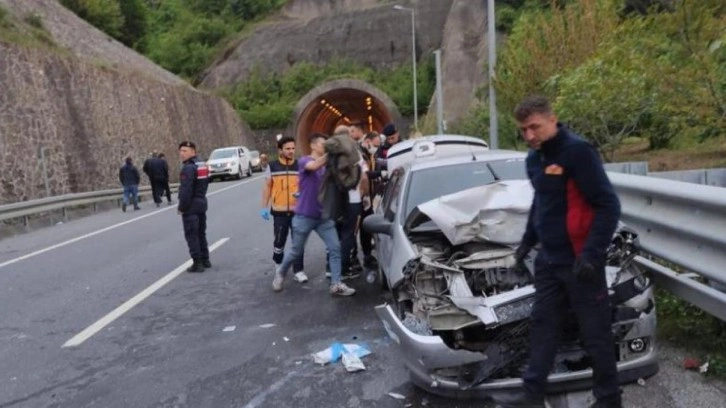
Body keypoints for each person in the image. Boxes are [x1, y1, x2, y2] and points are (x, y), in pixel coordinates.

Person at [492, 96, 622, 408]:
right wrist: (526, 243)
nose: (529, 135)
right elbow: (542, 203)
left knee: (595, 335)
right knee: (542, 328)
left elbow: (608, 205)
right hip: (549, 262)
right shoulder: (534, 159)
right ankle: (532, 395)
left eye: (534, 127)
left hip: (581, 261)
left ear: (553, 120)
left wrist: (592, 253)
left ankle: (609, 400)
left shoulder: (577, 152)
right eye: (523, 130)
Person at [272, 133, 356, 296]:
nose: (325, 146)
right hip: (304, 216)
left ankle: (336, 284)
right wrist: (332, 152)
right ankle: (281, 272)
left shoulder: (327, 166)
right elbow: (314, 166)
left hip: (323, 217)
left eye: (327, 144)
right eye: (322, 144)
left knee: (334, 248)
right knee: (296, 251)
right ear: (313, 145)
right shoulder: (305, 161)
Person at [261, 136, 308, 283]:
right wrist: (264, 207)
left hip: (297, 211)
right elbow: (267, 187)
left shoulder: (300, 165)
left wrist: (303, 194)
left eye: (293, 148)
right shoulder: (273, 166)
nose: (291, 151)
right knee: (279, 241)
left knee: (298, 242)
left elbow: (306, 185)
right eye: (287, 148)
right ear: (280, 150)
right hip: (279, 212)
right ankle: (279, 264)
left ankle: (298, 270)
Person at [177, 141, 211, 273]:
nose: (182, 153)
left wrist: (182, 207)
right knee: (201, 233)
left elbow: (186, 190)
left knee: (192, 234)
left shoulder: (188, 168)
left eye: (185, 151)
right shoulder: (201, 165)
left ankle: (198, 263)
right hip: (202, 203)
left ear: (193, 152)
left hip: (191, 206)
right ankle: (206, 259)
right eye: (181, 151)